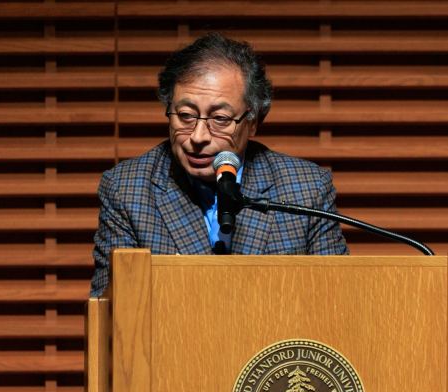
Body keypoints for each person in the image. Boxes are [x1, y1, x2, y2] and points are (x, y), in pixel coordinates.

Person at [90, 33, 348, 296]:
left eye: (220, 119)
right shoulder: (127, 190)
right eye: (186, 116)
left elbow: (335, 301)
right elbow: (112, 313)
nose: (198, 137)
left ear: (252, 122)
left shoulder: (307, 189)